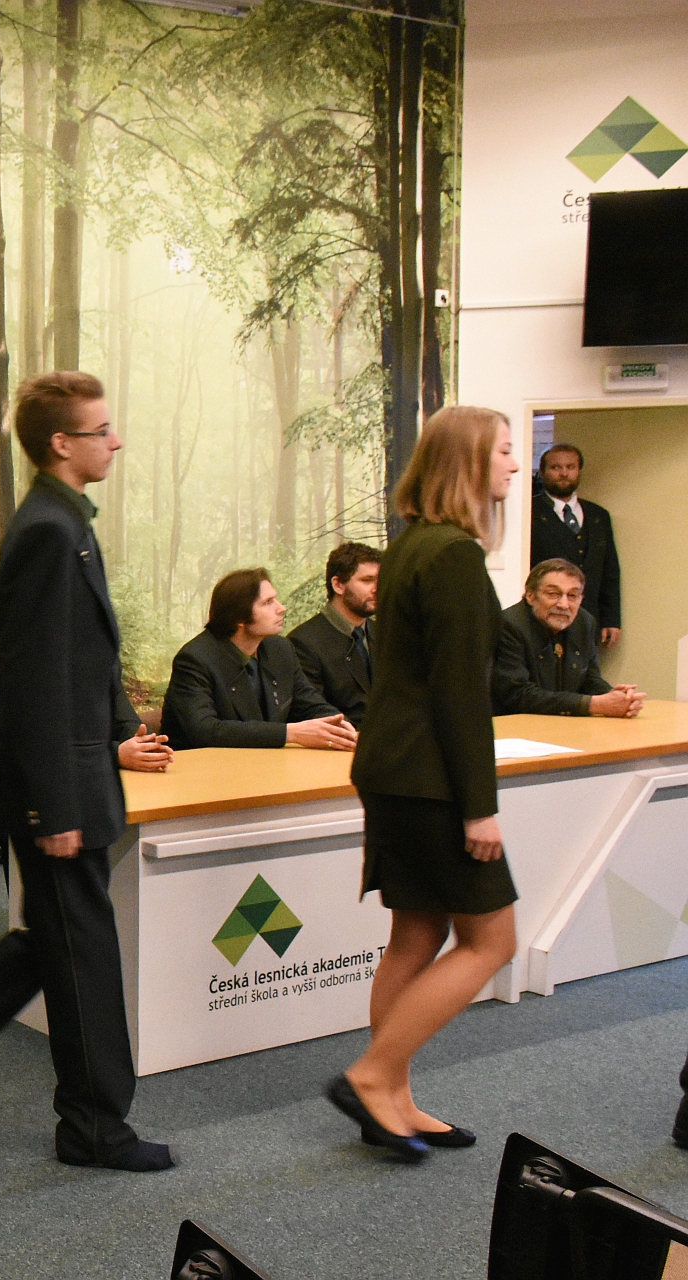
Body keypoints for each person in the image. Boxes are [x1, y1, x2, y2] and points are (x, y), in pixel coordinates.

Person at [0, 373, 177, 1171]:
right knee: (84, 954)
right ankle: (93, 1127)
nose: (115, 441)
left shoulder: (65, 522)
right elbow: (30, 681)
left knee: (56, 934)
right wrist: (54, 808)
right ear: (61, 443)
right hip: (60, 792)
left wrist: (117, 732)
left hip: (75, 777)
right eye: (101, 430)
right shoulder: (48, 531)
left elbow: (81, 662)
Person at [328, 404, 522, 1162]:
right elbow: (459, 693)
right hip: (430, 781)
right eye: (503, 451)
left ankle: (394, 1101)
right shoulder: (454, 555)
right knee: (492, 940)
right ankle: (373, 1077)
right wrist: (480, 808)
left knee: (416, 933)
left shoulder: (413, 544)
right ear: (469, 462)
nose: (515, 464)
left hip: (395, 770)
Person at [161, 569, 357, 752]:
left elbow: (309, 703)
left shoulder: (280, 649)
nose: (281, 608)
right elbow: (206, 730)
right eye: (268, 602)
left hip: (266, 764)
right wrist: (290, 733)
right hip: (203, 769)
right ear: (239, 616)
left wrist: (339, 725)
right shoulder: (195, 659)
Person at [491, 558, 644, 718]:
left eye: (572, 595)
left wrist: (616, 697)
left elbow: (589, 679)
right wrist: (594, 704)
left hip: (566, 723)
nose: (564, 605)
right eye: (553, 594)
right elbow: (518, 694)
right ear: (530, 595)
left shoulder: (584, 623)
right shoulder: (509, 625)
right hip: (516, 724)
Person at [530, 443, 621, 649]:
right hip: (542, 619)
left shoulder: (598, 516)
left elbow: (609, 572)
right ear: (542, 472)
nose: (564, 473)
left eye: (570, 467)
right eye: (556, 467)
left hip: (588, 620)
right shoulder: (530, 512)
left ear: (579, 471)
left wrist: (611, 619)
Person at [288, 542, 380, 729]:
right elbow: (314, 710)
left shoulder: (384, 632)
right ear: (338, 585)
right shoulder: (303, 642)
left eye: (380, 579)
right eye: (367, 580)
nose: (376, 588)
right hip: (342, 741)